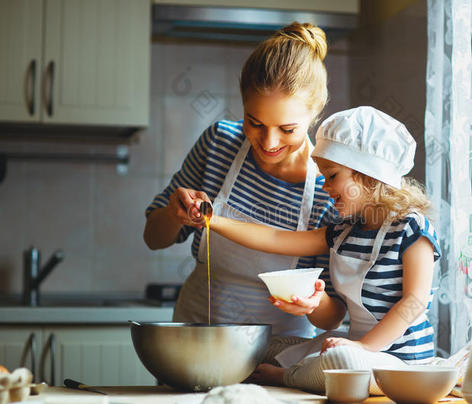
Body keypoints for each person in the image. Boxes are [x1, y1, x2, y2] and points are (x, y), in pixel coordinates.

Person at [207, 106, 442, 394]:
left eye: (332, 176)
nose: (325, 186)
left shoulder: (411, 229)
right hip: (354, 349)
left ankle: (286, 377)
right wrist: (211, 220)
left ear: (367, 174)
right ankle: (304, 369)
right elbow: (275, 238)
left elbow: (415, 302)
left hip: (401, 365)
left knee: (341, 359)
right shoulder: (344, 232)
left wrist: (363, 347)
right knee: (263, 346)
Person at [143, 22, 339, 350]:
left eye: (287, 129)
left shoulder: (329, 187)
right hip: (195, 340)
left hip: (279, 357)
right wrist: (175, 214)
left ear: (314, 114)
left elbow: (333, 315)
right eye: (255, 122)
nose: (269, 142)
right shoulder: (220, 144)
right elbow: (153, 237)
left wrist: (313, 304)